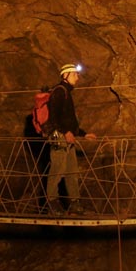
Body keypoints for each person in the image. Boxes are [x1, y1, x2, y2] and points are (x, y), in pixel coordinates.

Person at [44, 62, 97, 213]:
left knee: (72, 172)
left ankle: (75, 203)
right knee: (57, 170)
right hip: (60, 138)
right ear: (65, 76)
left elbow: (69, 120)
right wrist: (65, 132)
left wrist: (83, 133)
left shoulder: (66, 92)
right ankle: (52, 202)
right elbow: (54, 117)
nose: (77, 78)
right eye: (75, 74)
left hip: (68, 137)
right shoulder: (59, 92)